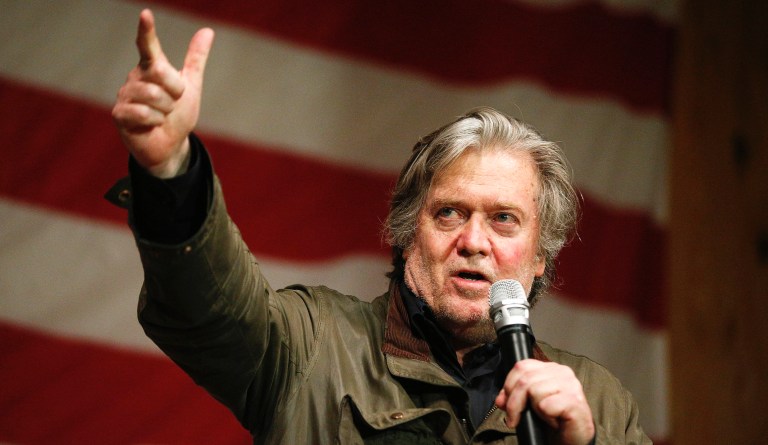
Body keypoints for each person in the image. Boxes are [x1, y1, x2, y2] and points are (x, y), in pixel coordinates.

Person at [109, 9, 652, 445]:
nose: (474, 242)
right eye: (449, 213)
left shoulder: (600, 404)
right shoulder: (310, 344)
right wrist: (169, 170)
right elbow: (206, 310)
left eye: (504, 220)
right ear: (406, 232)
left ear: (539, 259)